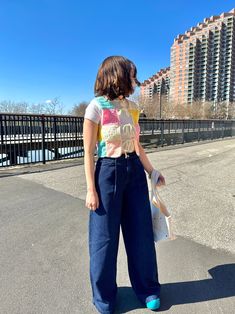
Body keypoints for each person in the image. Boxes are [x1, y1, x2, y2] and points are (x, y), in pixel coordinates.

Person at [83, 56, 165, 314]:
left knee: (140, 233)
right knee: (104, 239)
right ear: (116, 75)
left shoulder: (133, 107)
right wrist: (90, 189)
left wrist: (152, 171)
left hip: (134, 172)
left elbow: (137, 145)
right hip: (107, 171)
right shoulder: (95, 107)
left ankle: (148, 288)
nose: (135, 80)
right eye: (131, 75)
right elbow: (88, 152)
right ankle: (104, 298)